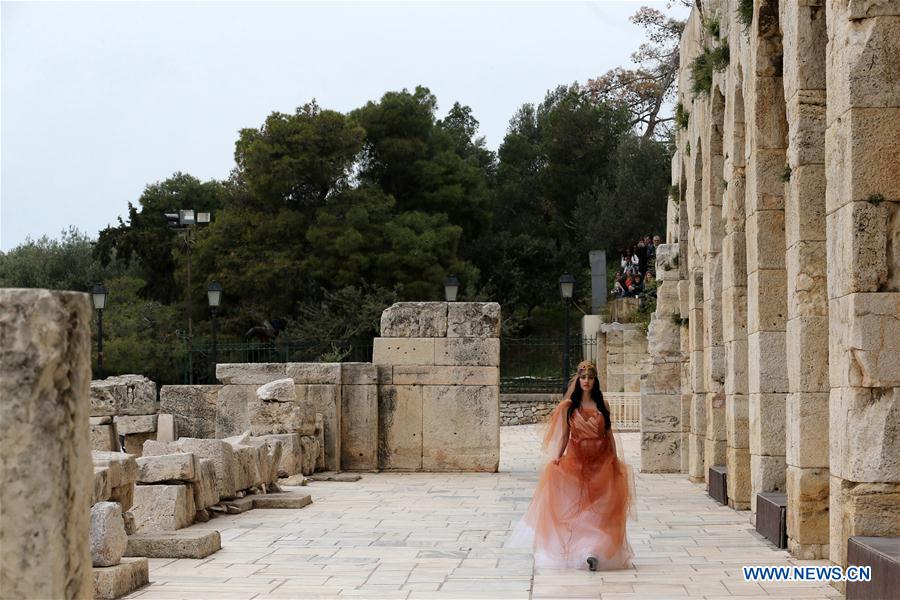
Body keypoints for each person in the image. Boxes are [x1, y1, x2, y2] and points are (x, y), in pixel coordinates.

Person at [509, 361, 634, 571]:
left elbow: (609, 434)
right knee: (579, 506)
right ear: (578, 379)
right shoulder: (569, 407)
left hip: (601, 463)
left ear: (595, 380)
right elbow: (565, 437)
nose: (586, 381)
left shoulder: (602, 404)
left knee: (600, 508)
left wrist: (615, 458)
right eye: (583, 377)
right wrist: (557, 458)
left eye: (590, 377)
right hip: (577, 462)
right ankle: (583, 550)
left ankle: (596, 550)